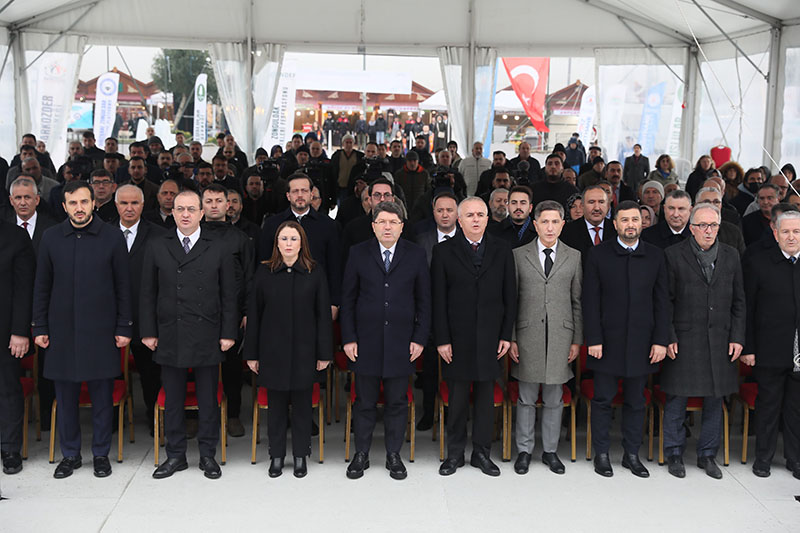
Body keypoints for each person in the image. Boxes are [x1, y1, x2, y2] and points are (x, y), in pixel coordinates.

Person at [32, 181, 132, 479]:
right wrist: (40, 325)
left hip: (101, 331)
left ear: (93, 204)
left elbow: (123, 287)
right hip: (61, 331)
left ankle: (101, 454)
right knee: (65, 399)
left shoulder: (112, 238)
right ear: (64, 206)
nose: (79, 208)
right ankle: (71, 454)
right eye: (72, 203)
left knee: (102, 398)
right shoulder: (51, 238)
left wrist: (124, 325)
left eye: (84, 202)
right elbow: (41, 287)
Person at [140, 190, 237, 480]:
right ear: (172, 213)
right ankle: (175, 455)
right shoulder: (158, 245)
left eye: (191, 209)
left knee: (208, 399)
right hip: (170, 330)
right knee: (173, 398)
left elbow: (229, 295)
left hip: (208, 330)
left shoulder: (218, 246)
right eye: (179, 209)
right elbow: (147, 293)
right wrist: (148, 331)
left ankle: (208, 455)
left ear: (201, 213)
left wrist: (228, 332)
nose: (185, 214)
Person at [341, 202, 431, 480]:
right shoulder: (358, 253)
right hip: (365, 342)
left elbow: (424, 301)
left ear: (402, 226)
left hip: (402, 342)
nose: (388, 226)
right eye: (382, 222)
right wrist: (348, 338)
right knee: (364, 402)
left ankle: (394, 454)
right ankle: (362, 454)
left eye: (394, 221)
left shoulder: (415, 255)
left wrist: (419, 339)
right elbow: (348, 300)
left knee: (397, 402)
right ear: (373, 226)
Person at [582, 200, 669, 478]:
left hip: (643, 343)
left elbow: (662, 302)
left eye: (635, 220)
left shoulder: (655, 256)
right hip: (606, 342)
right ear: (615, 223)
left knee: (636, 400)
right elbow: (590, 301)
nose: (630, 225)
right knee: (603, 400)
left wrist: (660, 340)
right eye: (624, 220)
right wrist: (593, 338)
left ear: (642, 223)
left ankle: (632, 454)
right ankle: (602, 454)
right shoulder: (598, 255)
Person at [432, 197, 517, 477]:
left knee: (484, 398)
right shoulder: (443, 251)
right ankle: (454, 454)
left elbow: (510, 296)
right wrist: (442, 339)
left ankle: (481, 453)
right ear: (459, 220)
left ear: (488, 218)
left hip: (491, 337)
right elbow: (438, 300)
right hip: (456, 338)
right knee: (456, 399)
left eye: (481, 214)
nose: (476, 219)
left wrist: (507, 334)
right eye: (470, 215)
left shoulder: (503, 250)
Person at [661, 202, 745, 479]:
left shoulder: (732, 256)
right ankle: (673, 452)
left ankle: (707, 454)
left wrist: (737, 337)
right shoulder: (673, 255)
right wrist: (668, 335)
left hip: (721, 338)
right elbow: (665, 301)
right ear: (691, 228)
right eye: (702, 226)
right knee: (677, 397)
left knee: (715, 398)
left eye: (713, 226)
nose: (708, 231)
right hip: (684, 338)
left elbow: (739, 301)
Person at [245, 221, 332, 478]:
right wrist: (252, 353)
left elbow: (323, 316)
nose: (289, 244)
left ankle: (301, 455)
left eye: (294, 239)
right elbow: (254, 315)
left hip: (306, 351)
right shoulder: (264, 273)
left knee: (304, 406)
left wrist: (324, 353)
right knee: (277, 407)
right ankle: (277, 456)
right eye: (284, 239)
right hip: (273, 351)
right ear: (277, 243)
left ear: (302, 242)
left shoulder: (315, 272)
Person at [510, 200, 582, 475]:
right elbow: (512, 300)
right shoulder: (518, 255)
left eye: (555, 222)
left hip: (562, 335)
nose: (550, 227)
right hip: (528, 334)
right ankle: (524, 451)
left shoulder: (574, 256)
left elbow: (577, 301)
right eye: (545, 221)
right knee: (526, 396)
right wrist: (512, 337)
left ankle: (550, 451)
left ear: (563, 225)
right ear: (535, 223)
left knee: (554, 396)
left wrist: (577, 339)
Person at [742, 210, 800, 479]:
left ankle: (795, 458)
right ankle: (763, 458)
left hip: (799, 352)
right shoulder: (758, 262)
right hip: (768, 349)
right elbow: (748, 310)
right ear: (775, 234)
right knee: (768, 406)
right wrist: (749, 348)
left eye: (796, 231)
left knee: (796, 409)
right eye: (786, 231)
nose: (791, 236)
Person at [201, 184, 255, 438]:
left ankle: (233, 414)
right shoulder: (191, 235)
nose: (214, 205)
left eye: (218, 200)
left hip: (231, 313)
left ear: (227, 205)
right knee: (196, 366)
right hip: (197, 312)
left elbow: (250, 278)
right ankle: (195, 415)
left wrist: (247, 312)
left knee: (232, 367)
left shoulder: (240, 239)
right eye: (208, 200)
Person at [115, 184, 166, 436]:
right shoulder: (103, 234)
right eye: (124, 203)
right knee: (112, 373)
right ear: (116, 206)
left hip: (147, 319)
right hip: (112, 321)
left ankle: (154, 419)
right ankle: (114, 421)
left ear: (143, 205)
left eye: (134, 203)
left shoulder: (159, 235)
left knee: (151, 375)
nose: (129, 208)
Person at [260, 173, 341, 315]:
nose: (300, 195)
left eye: (304, 191)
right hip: (279, 297)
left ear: (311, 194)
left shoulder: (329, 226)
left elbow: (335, 266)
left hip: (317, 298)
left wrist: (334, 302)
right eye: (295, 191)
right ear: (288, 196)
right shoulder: (272, 225)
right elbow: (264, 263)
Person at [413, 192, 458, 430]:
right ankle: (428, 413)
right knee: (430, 369)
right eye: (440, 210)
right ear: (433, 212)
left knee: (455, 369)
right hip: (429, 314)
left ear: (457, 213)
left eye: (449, 210)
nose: (444, 214)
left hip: (459, 317)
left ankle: (453, 413)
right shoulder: (422, 241)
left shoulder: (467, 239)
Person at [0, 217, 35, 475]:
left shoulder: (15, 236)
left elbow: (25, 289)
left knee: (7, 391)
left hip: (5, 333)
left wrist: (20, 332)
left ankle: (10, 448)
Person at [559, 185, 617, 261]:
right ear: (582, 206)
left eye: (601, 202)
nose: (596, 208)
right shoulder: (567, 231)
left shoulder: (617, 230)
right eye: (591, 202)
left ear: (608, 206)